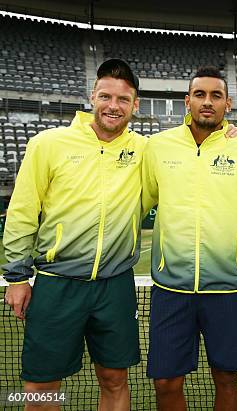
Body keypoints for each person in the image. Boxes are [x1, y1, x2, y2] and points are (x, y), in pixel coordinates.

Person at [3, 59, 144, 411]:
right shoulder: (47, 144)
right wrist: (17, 278)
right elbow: (22, 211)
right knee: (40, 385)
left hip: (115, 285)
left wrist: (227, 131)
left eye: (123, 100)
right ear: (92, 97)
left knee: (115, 379)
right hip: (56, 283)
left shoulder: (145, 150)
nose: (114, 106)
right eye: (106, 97)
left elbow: (191, 144)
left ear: (135, 105)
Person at [141, 65, 237, 411]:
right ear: (187, 101)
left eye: (216, 95)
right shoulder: (158, 147)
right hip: (170, 289)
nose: (207, 102)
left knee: (226, 378)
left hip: (227, 290)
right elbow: (141, 201)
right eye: (199, 94)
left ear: (228, 104)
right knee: (165, 382)